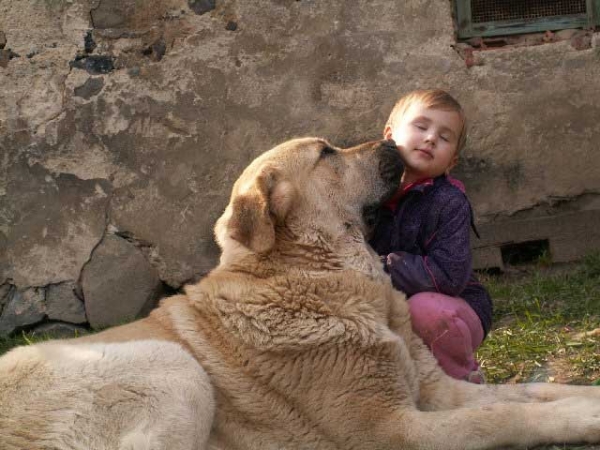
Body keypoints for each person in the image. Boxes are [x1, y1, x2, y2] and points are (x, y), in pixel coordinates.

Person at [369, 89, 492, 383]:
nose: (431, 138)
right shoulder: (366, 193)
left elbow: (449, 276)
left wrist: (386, 266)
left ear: (451, 162)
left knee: (424, 311)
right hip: (390, 311)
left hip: (454, 310)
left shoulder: (449, 202)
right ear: (389, 135)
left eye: (445, 137)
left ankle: (464, 383)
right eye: (421, 126)